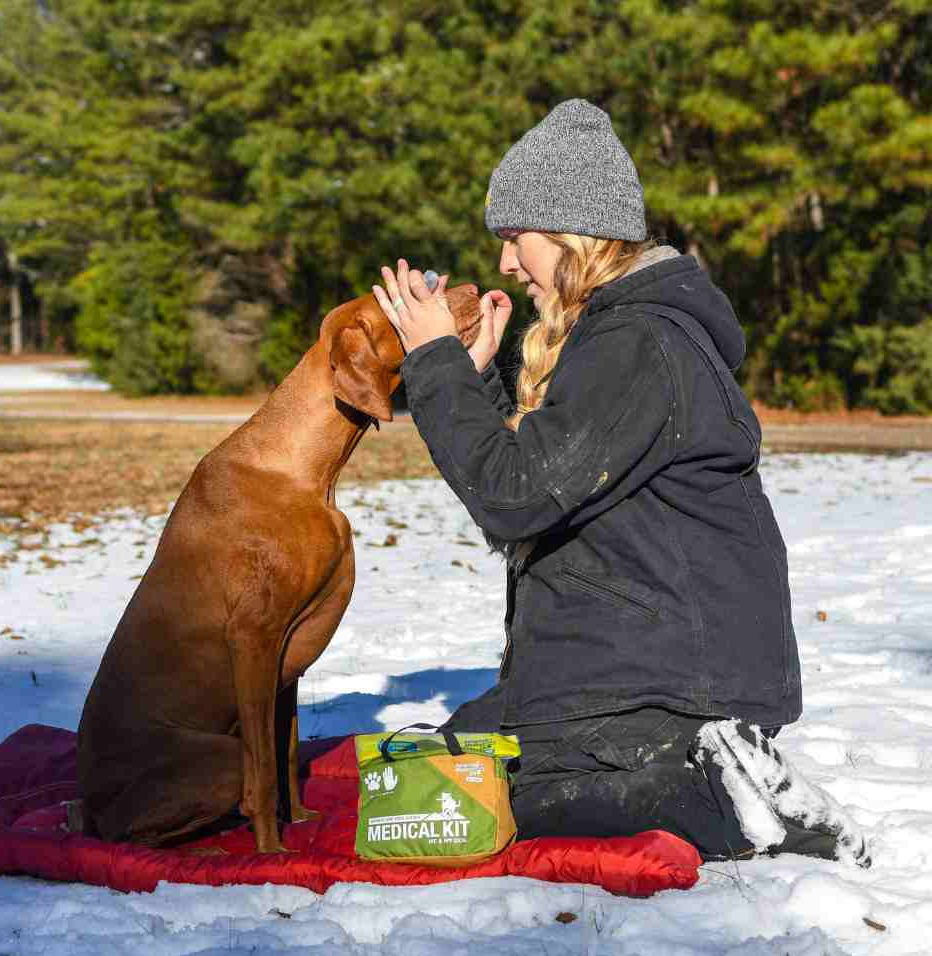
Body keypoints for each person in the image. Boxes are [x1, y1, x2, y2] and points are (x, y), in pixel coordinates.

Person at [372, 99, 869, 866]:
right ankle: (718, 770)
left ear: (571, 231)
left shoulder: (639, 343)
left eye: (515, 239)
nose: (506, 263)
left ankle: (712, 785)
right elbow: (547, 490)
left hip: (663, 681)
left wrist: (434, 362)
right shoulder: (628, 339)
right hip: (632, 662)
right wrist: (477, 383)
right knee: (436, 767)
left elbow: (514, 498)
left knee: (484, 798)